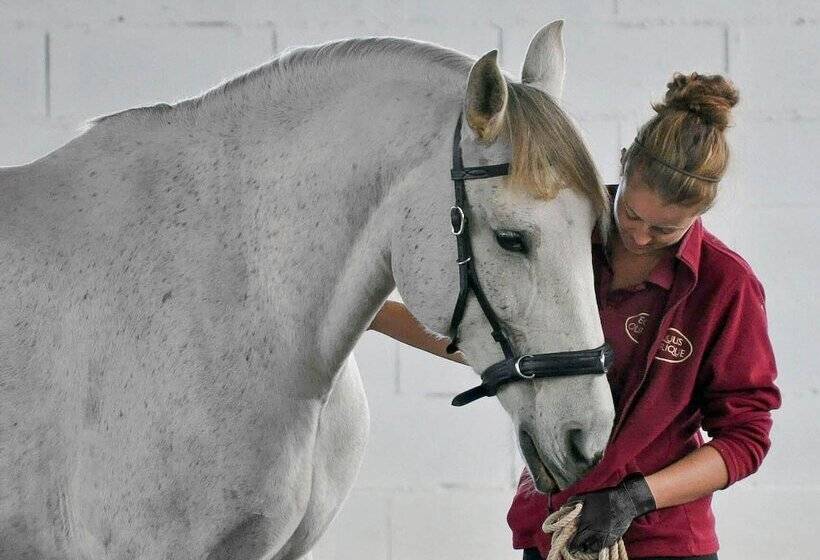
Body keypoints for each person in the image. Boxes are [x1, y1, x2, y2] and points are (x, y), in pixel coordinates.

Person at [368, 72, 781, 560]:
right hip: (550, 533)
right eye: (630, 213)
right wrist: (366, 314)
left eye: (664, 229)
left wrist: (635, 498)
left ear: (700, 212)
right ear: (624, 166)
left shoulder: (725, 286)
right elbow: (502, 347)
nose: (640, 236)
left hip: (663, 543)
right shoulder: (561, 236)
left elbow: (745, 439)